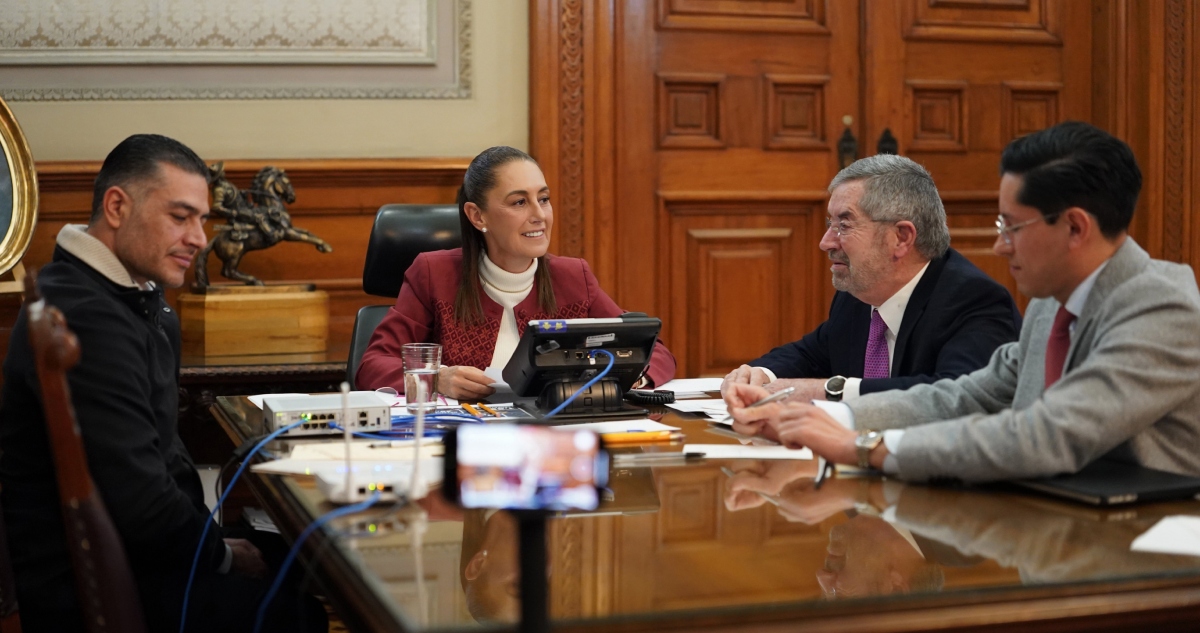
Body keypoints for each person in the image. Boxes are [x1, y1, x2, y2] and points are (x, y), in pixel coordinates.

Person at [728, 121, 1200, 482]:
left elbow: (1048, 434)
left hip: (1142, 562)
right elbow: (968, 395)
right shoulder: (1050, 306)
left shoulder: (1162, 308)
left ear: (1075, 227)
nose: (1000, 247)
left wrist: (865, 446)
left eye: (1012, 228)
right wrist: (816, 418)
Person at [0, 134, 326, 632]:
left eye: (201, 219)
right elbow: (141, 501)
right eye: (180, 217)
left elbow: (158, 463)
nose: (199, 237)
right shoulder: (91, 318)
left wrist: (216, 546)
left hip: (138, 563)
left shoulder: (114, 295)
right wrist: (222, 556)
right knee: (301, 604)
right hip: (104, 593)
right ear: (116, 206)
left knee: (294, 559)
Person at [356, 146, 676, 399]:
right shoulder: (434, 274)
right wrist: (436, 379)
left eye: (544, 199)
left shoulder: (573, 277)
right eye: (520, 202)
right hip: (461, 445)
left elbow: (653, 352)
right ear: (477, 216)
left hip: (553, 445)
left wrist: (634, 375)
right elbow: (372, 366)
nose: (539, 215)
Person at [722, 154, 1020, 403]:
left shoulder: (975, 302)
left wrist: (830, 392)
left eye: (844, 225)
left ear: (901, 237)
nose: (826, 242)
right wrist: (760, 374)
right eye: (830, 223)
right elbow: (812, 353)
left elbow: (954, 400)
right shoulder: (859, 294)